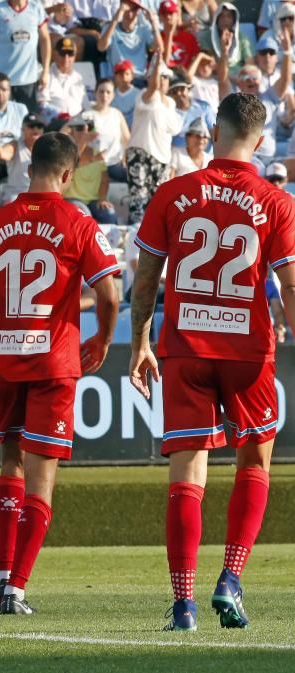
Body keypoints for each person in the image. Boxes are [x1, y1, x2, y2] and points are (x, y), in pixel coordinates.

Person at [128, 92, 295, 632]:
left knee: (186, 477)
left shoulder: (174, 194)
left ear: (212, 131)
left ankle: (184, 605)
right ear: (261, 141)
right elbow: (290, 283)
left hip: (185, 348)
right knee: (255, 462)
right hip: (248, 351)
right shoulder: (276, 201)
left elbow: (146, 280)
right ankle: (231, 579)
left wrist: (139, 343)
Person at [0, 132, 120, 614]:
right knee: (42, 480)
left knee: (10, 463)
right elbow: (111, 292)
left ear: (27, 168)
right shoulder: (77, 222)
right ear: (68, 173)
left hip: (3, 363)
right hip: (53, 366)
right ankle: (14, 588)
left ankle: (2, 575)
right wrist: (102, 338)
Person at [125, 59, 182, 226]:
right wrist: (157, 65)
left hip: (163, 159)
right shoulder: (144, 95)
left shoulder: (171, 103)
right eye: (159, 76)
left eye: (166, 77)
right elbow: (152, 90)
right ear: (150, 78)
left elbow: (174, 129)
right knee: (139, 202)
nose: (163, 80)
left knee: (158, 205)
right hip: (140, 153)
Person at [0, 0, 51, 113]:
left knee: (28, 123)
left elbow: (45, 39)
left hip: (28, 80)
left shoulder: (36, 8)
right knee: (3, 123)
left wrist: (46, 70)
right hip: (3, 81)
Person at [64, 115, 118, 224]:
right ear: (71, 132)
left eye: (89, 127)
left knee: (109, 214)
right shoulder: (65, 151)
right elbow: (72, 165)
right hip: (71, 199)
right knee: (85, 215)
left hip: (94, 200)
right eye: (80, 128)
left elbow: (104, 179)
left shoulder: (98, 152)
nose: (85, 132)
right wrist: (84, 144)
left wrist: (102, 198)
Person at [99, 2, 161, 84]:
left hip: (139, 78)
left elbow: (159, 48)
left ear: (138, 11)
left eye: (134, 9)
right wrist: (115, 20)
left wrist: (153, 22)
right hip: (117, 77)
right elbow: (101, 47)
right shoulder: (110, 28)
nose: (130, 13)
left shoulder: (144, 29)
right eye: (126, 9)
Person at [0, 113, 45, 206]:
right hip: (16, 196)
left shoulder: (47, 148)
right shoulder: (15, 145)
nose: (35, 129)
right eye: (31, 126)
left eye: (39, 126)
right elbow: (3, 154)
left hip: (38, 199)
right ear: (23, 129)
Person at [91, 77, 131, 182]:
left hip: (116, 164)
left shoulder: (116, 114)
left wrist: (126, 160)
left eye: (108, 92)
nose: (104, 95)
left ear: (113, 95)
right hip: (95, 165)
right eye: (101, 92)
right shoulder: (88, 115)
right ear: (95, 93)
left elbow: (127, 139)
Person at [39, 37, 88, 122]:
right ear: (54, 54)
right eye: (62, 54)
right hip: (54, 122)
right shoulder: (46, 76)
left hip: (77, 122)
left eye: (70, 54)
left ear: (75, 56)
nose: (66, 58)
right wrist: (60, 115)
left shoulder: (78, 77)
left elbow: (85, 103)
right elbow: (42, 105)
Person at [199, 2, 252, 76]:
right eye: (222, 16)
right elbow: (209, 66)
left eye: (229, 16)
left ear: (234, 21)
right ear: (216, 19)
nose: (225, 20)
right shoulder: (206, 37)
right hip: (216, 77)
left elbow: (250, 63)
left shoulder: (242, 38)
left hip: (240, 77)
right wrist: (224, 49)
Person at [168, 75, 215, 148]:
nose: (179, 94)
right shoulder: (167, 113)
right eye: (174, 92)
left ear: (188, 89)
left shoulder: (204, 107)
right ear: (168, 95)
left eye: (182, 89)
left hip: (207, 156)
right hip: (178, 156)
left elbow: (215, 134)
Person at [161, 0, 200, 70]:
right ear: (160, 17)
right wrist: (169, 35)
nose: (168, 17)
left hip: (184, 76)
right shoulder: (158, 38)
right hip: (165, 75)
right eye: (164, 14)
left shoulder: (189, 38)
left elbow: (194, 61)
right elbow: (165, 64)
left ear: (177, 15)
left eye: (171, 13)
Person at [112, 59, 141, 128]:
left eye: (126, 74)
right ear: (115, 77)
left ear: (132, 76)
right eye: (119, 74)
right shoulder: (111, 94)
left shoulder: (139, 94)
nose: (123, 77)